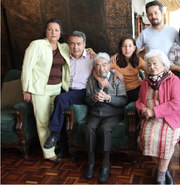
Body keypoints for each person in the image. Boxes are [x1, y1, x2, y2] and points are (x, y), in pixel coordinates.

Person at [21, 19, 71, 163]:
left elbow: (79, 50)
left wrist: (90, 51)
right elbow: (27, 68)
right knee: (43, 121)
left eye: (56, 29)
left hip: (58, 89)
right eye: (50, 29)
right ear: (45, 31)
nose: (53, 32)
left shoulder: (64, 47)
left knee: (52, 119)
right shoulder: (37, 45)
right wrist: (26, 89)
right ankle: (49, 153)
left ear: (60, 33)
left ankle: (53, 145)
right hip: (39, 90)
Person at [136, 49, 180, 184]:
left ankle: (160, 175)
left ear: (164, 65)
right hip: (151, 119)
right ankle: (165, 169)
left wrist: (153, 111)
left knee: (166, 140)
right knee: (145, 138)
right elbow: (140, 101)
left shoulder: (173, 80)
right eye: (149, 64)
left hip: (172, 117)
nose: (151, 67)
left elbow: (176, 103)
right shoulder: (145, 82)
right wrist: (142, 109)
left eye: (155, 63)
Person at [43, 31, 96, 157]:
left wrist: (117, 73)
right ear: (68, 45)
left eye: (79, 44)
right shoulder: (64, 56)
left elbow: (107, 67)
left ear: (84, 45)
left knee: (60, 99)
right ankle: (63, 147)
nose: (75, 47)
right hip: (67, 90)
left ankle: (54, 134)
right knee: (58, 106)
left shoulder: (92, 57)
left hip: (82, 92)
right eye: (72, 43)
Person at [82, 53, 128, 183]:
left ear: (109, 65)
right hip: (96, 113)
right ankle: (91, 163)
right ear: (95, 67)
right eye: (98, 65)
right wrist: (94, 98)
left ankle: (106, 164)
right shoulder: (92, 79)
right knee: (89, 128)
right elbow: (87, 100)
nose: (101, 68)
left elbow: (123, 100)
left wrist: (109, 98)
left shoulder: (117, 78)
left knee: (105, 128)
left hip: (113, 114)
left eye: (104, 64)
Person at [111, 0, 180, 62]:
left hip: (171, 72)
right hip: (152, 72)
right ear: (147, 17)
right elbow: (133, 50)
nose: (153, 16)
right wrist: (117, 55)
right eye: (150, 14)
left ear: (162, 14)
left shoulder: (173, 31)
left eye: (156, 13)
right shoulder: (144, 33)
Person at [109, 34, 146, 103]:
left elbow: (148, 68)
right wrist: (114, 71)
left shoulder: (138, 60)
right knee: (142, 98)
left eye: (130, 46)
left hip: (139, 86)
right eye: (124, 46)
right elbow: (99, 67)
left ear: (134, 48)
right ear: (120, 48)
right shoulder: (115, 61)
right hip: (126, 91)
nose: (127, 49)